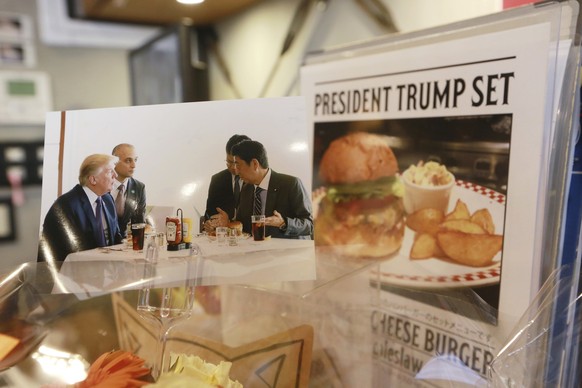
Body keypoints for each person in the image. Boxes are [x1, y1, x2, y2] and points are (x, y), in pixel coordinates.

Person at [211, 139, 313, 239]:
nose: (236, 171)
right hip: (255, 251)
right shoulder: (246, 189)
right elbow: (243, 225)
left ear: (255, 164)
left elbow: (310, 224)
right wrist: (228, 222)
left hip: (288, 253)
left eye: (238, 164)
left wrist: (283, 223)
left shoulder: (291, 184)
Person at [38, 154, 122, 263]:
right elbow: (62, 251)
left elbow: (116, 237)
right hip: (73, 271)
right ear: (93, 179)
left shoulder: (107, 199)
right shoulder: (65, 206)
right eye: (110, 171)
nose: (115, 175)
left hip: (105, 269)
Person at [204, 134, 250, 221]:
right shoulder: (217, 180)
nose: (233, 167)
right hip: (223, 233)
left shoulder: (256, 180)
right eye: (229, 162)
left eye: (237, 163)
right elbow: (209, 214)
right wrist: (210, 223)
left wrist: (229, 222)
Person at [111, 143, 146, 237]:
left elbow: (139, 222)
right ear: (114, 162)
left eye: (135, 160)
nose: (134, 165)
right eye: (128, 161)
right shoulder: (102, 183)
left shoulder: (139, 187)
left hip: (124, 244)